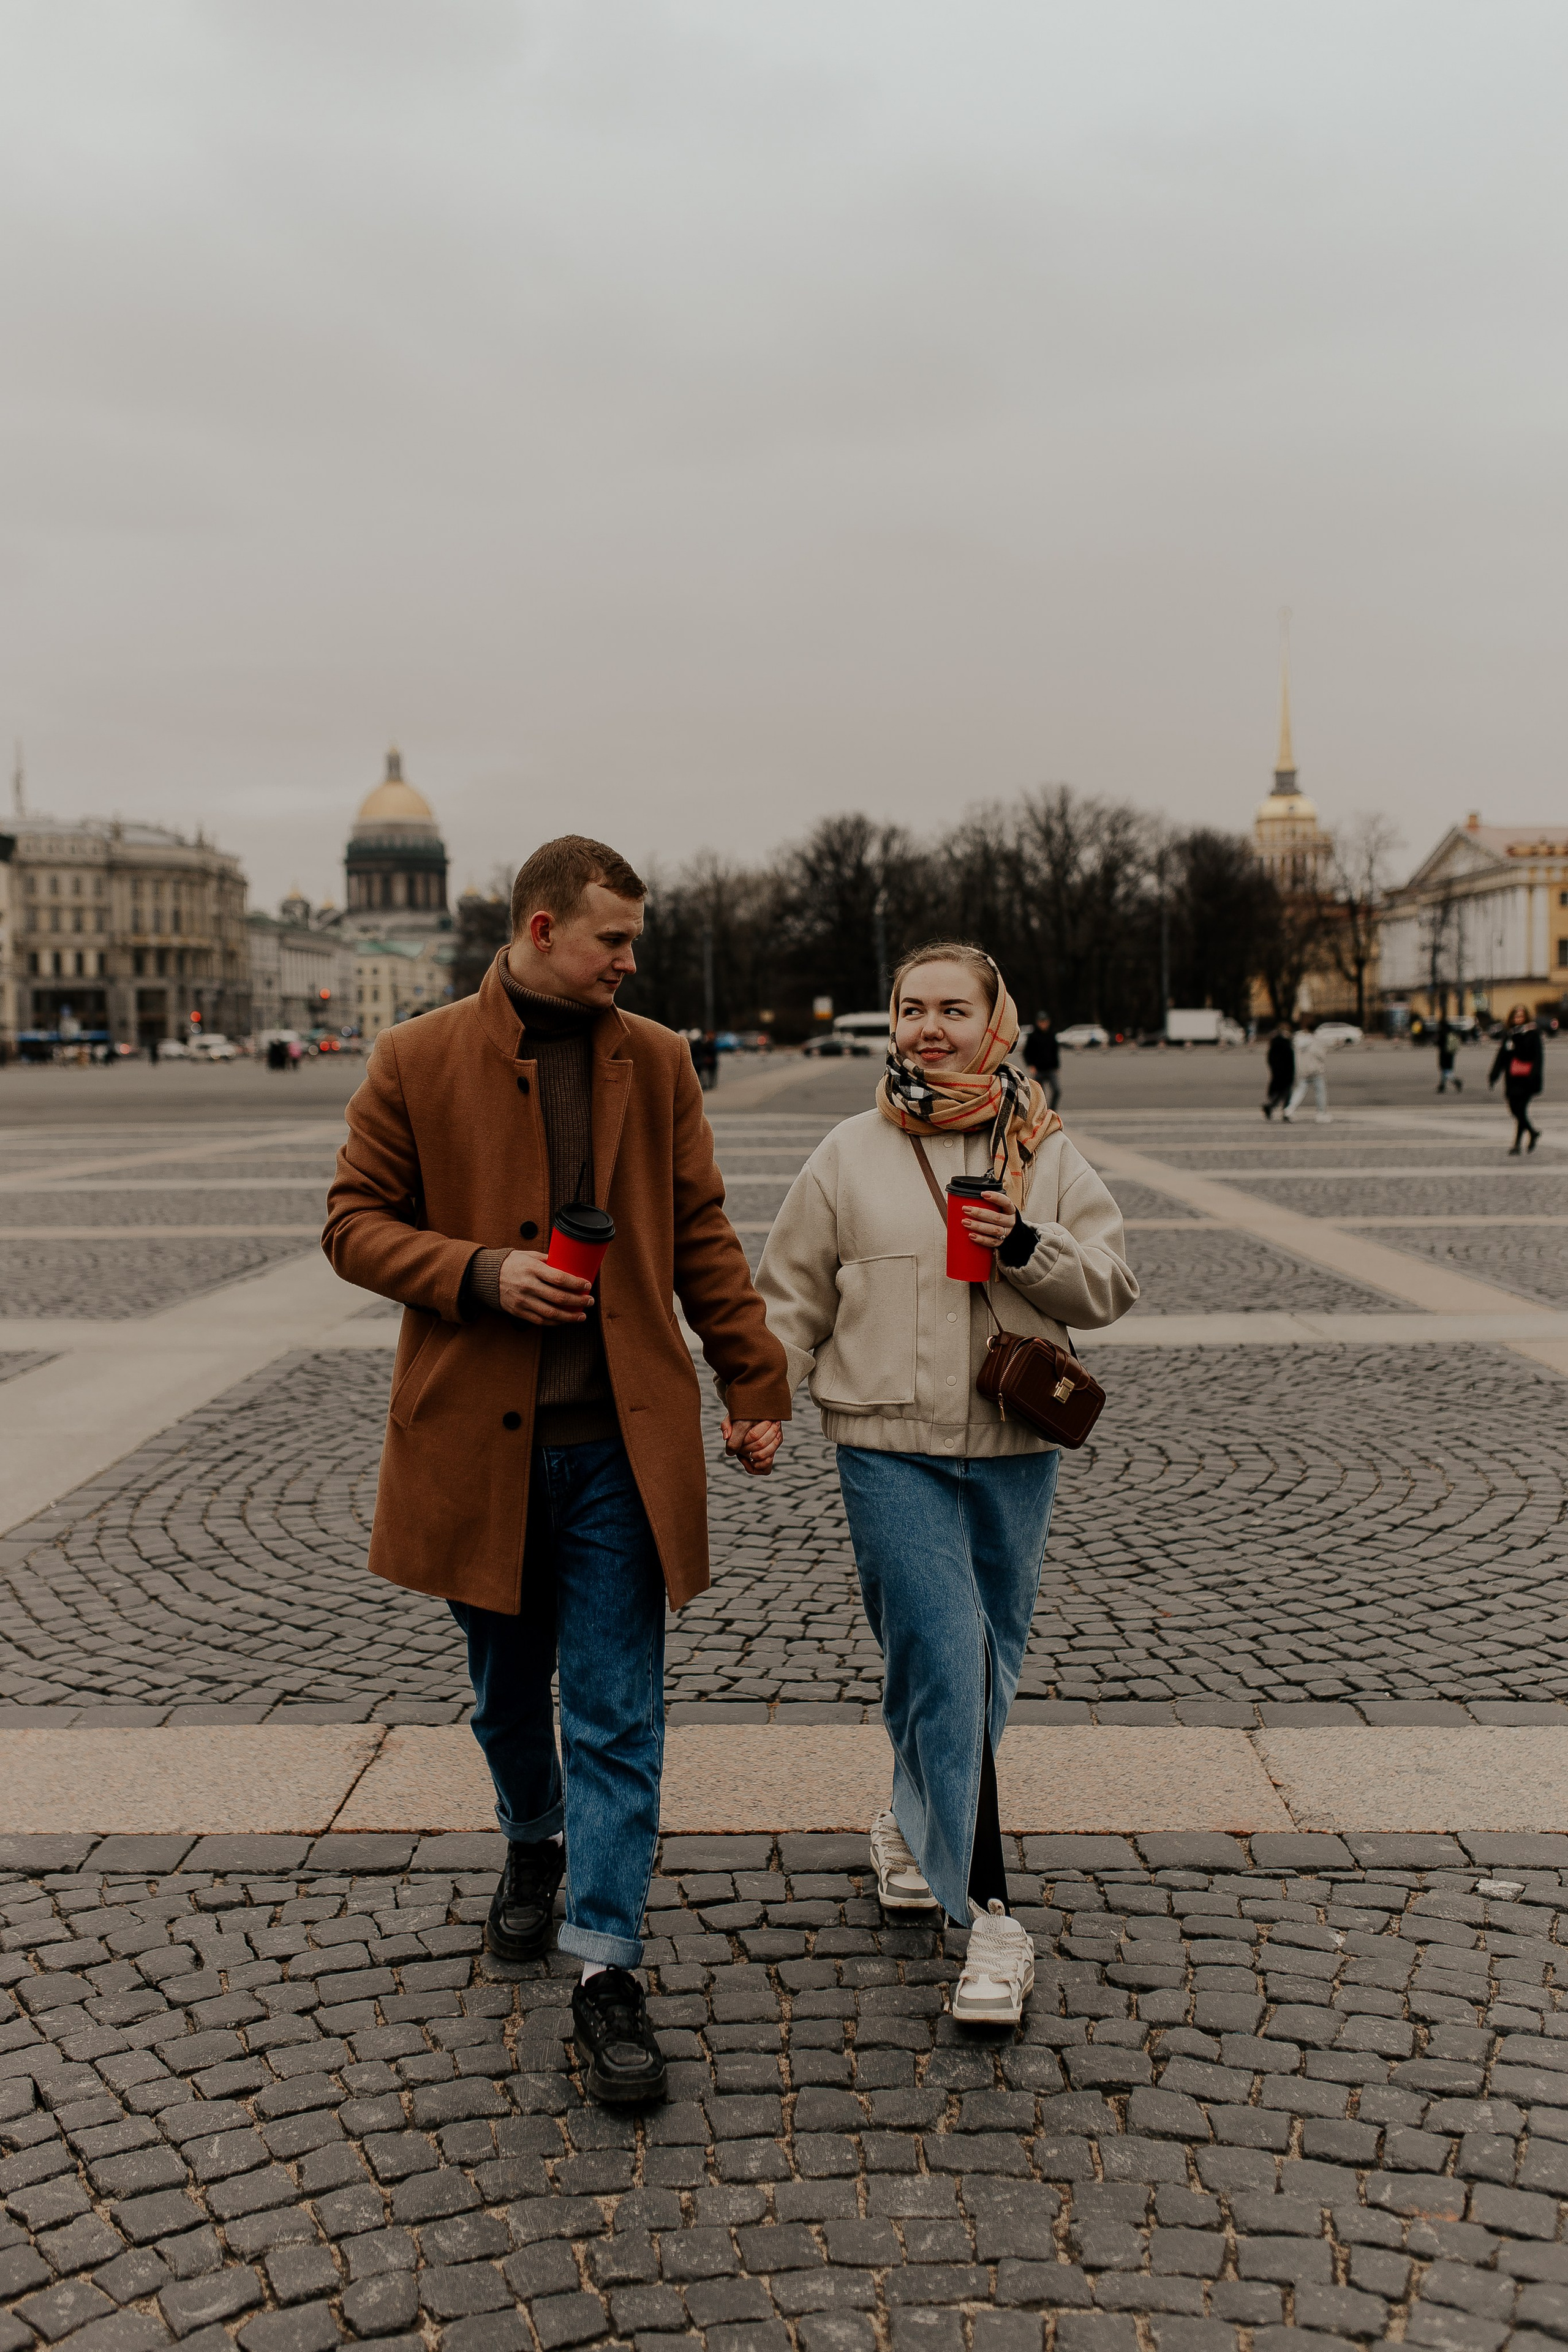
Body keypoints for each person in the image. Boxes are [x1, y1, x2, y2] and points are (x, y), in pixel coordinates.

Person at [323, 835, 791, 2105]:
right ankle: (530, 1841)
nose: (630, 963)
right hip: (478, 1447)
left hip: (617, 1453)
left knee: (615, 1714)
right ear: (540, 932)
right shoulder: (415, 1057)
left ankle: (606, 1973)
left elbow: (699, 1226)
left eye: (634, 942)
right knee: (501, 1696)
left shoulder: (657, 1059)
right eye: (612, 943)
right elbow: (351, 1225)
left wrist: (752, 1378)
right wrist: (479, 1272)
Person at [756, 940, 1137, 2028]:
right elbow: (786, 1297)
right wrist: (762, 1399)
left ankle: (909, 1812)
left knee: (986, 1658)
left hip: (1012, 1445)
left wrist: (1025, 1241)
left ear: (996, 1023)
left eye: (953, 1010)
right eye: (911, 1009)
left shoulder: (1044, 1150)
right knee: (942, 1646)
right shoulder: (846, 1153)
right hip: (885, 1443)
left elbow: (1110, 1285)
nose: (929, 1028)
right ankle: (991, 1922)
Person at [1490, 1003, 1543, 1154]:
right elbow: (1501, 1056)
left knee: (1520, 1109)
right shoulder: (1510, 1034)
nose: (1518, 1019)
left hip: (1527, 1079)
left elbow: (1538, 1057)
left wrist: (1535, 1075)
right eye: (1515, 1016)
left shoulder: (1532, 1033)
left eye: (1521, 1016)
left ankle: (1516, 1145)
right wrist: (1494, 1075)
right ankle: (1532, 1133)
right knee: (1515, 1109)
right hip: (1512, 1079)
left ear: (1526, 1017)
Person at [1282, 1017, 1329, 1122]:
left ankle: (1290, 1110)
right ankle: (1321, 1114)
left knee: (1300, 1091)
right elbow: (1321, 1055)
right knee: (1320, 1092)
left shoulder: (1299, 1039)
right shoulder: (1315, 1041)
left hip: (1303, 1070)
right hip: (1316, 1070)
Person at [1022, 1012, 1061, 1112]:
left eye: (1045, 1022)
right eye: (1041, 1022)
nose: (1044, 1024)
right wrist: (1031, 1065)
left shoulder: (1052, 1035)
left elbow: (1055, 1051)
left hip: (1051, 1068)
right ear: (1038, 1023)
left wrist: (1057, 1066)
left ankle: (1052, 1111)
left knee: (1057, 1091)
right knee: (1040, 1094)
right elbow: (1026, 1053)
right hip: (1039, 1070)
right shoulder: (1033, 1036)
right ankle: (1041, 1112)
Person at [1262, 1026, 1294, 1120]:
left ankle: (1271, 1107)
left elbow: (1270, 1060)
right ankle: (1285, 1112)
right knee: (1287, 1093)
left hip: (1277, 1073)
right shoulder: (1286, 1044)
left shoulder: (1274, 1045)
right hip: (1286, 1073)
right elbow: (1290, 1061)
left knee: (1280, 1093)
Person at [1435, 1016, 1462, 1095]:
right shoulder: (1451, 1031)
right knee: (1446, 1070)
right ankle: (1442, 1086)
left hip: (1444, 1053)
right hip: (1451, 1053)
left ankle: (1456, 1081)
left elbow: (1439, 1043)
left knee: (1445, 1070)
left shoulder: (1442, 1032)